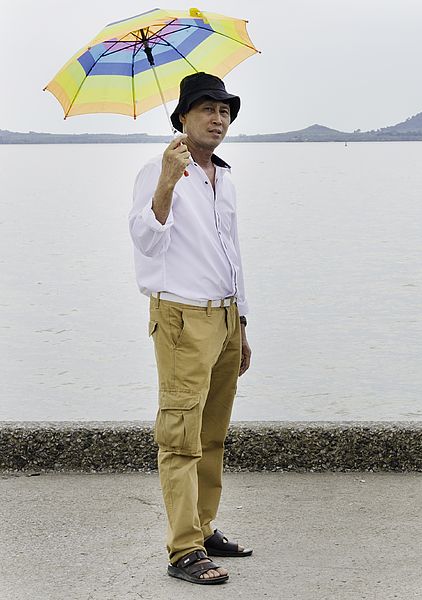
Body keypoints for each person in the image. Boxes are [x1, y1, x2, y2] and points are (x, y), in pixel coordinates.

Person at [129, 72, 253, 585]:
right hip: (182, 317)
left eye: (224, 111)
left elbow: (233, 255)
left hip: (223, 317)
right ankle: (183, 549)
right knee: (180, 436)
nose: (217, 118)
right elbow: (145, 240)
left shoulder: (223, 177)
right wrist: (165, 179)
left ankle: (202, 527)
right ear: (182, 116)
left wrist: (241, 323)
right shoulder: (160, 171)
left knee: (212, 433)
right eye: (206, 109)